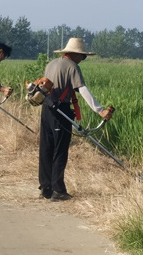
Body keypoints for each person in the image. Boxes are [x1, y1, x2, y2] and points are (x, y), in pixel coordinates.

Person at [38, 38, 112, 201]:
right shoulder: (73, 67)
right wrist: (100, 110)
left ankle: (45, 187)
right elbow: (83, 90)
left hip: (46, 109)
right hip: (60, 111)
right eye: (82, 56)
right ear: (76, 55)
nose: (82, 59)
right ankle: (58, 190)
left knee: (46, 148)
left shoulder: (51, 64)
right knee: (60, 150)